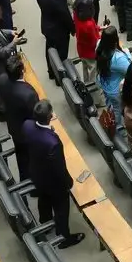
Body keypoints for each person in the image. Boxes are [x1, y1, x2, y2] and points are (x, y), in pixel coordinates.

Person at [23, 100, 85, 248]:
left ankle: (45, 222)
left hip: (36, 173)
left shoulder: (27, 125)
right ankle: (63, 238)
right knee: (61, 208)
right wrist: (68, 182)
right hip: (54, 183)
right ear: (50, 116)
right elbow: (59, 168)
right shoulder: (52, 143)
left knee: (43, 198)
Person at [96, 26, 132, 133]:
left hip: (104, 82)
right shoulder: (118, 58)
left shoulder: (99, 45)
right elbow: (130, 70)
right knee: (117, 108)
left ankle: (110, 117)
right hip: (114, 89)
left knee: (110, 103)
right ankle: (118, 129)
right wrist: (127, 52)